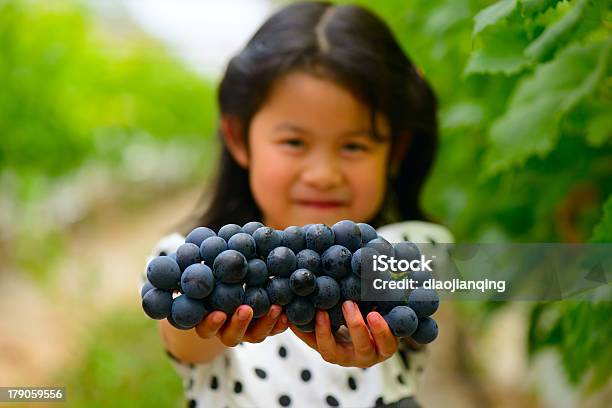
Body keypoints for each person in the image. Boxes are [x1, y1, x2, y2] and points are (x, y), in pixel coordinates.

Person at [143, 2, 452, 407]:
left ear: (395, 153)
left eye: (354, 145)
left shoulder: (408, 247)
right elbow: (182, 339)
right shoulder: (193, 259)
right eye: (294, 143)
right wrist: (210, 320)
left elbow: (471, 281)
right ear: (238, 139)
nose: (323, 173)